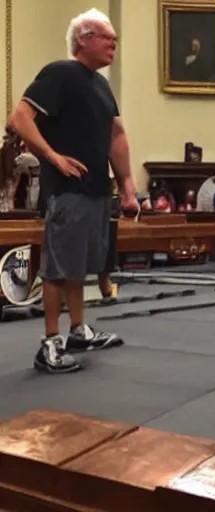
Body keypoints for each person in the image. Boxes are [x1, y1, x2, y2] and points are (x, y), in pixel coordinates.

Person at [7, 8, 138, 374]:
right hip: (67, 189)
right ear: (83, 39)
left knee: (80, 265)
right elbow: (18, 118)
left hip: (97, 189)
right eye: (106, 36)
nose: (114, 42)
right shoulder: (60, 73)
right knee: (58, 267)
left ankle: (78, 330)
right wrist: (52, 156)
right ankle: (50, 342)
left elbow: (116, 136)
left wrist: (127, 185)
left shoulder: (100, 85)